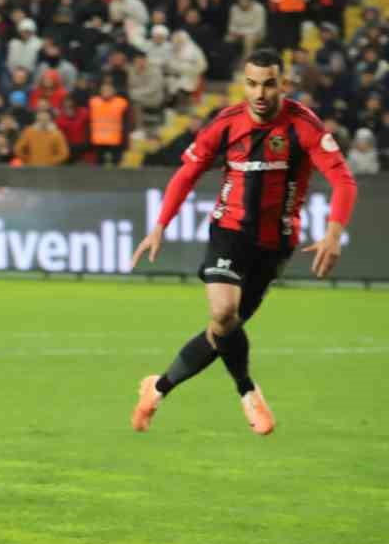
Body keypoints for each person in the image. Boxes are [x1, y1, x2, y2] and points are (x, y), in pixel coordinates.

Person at [129, 50, 357, 436]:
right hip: (229, 231)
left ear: (282, 84)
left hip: (275, 243)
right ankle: (247, 391)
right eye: (252, 83)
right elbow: (188, 172)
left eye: (269, 83)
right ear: (244, 84)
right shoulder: (227, 122)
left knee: (223, 331)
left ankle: (159, 387)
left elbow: (343, 179)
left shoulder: (303, 126)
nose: (260, 93)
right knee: (223, 312)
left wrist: (333, 233)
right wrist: (160, 224)